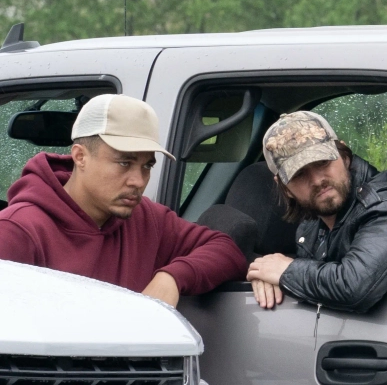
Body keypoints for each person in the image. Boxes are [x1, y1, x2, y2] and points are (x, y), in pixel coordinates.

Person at [0, 94, 245, 303]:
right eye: (124, 162)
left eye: (147, 166)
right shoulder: (17, 231)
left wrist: (171, 277)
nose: (138, 181)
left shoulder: (146, 218)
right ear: (80, 156)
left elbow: (226, 250)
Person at [244, 111, 387, 314]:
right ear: (284, 188)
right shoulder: (310, 226)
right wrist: (267, 276)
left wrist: (285, 272)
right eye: (299, 174)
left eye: (322, 162)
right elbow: (316, 284)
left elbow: (355, 287)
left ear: (344, 156)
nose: (318, 180)